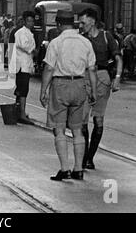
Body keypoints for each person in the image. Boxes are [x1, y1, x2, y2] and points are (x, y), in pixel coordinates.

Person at [40, 10, 98, 181]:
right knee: (77, 129)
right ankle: (78, 169)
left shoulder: (56, 42)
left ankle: (64, 169)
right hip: (80, 84)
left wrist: (43, 90)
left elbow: (49, 68)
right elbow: (92, 69)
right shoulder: (86, 42)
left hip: (60, 85)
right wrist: (93, 91)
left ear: (58, 24)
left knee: (59, 129)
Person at [79, 8, 123, 170]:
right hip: (85, 78)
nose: (81, 25)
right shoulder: (81, 39)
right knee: (82, 120)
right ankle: (83, 157)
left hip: (102, 78)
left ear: (92, 21)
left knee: (98, 119)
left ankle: (90, 157)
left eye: (83, 22)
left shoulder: (106, 37)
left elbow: (118, 58)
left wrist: (117, 79)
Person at [12, 11, 38, 126]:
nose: (31, 23)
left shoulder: (29, 33)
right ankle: (21, 114)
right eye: (29, 21)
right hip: (22, 66)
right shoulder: (21, 32)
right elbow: (24, 45)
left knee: (22, 90)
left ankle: (19, 112)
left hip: (26, 65)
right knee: (22, 90)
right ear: (24, 21)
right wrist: (33, 50)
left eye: (32, 21)